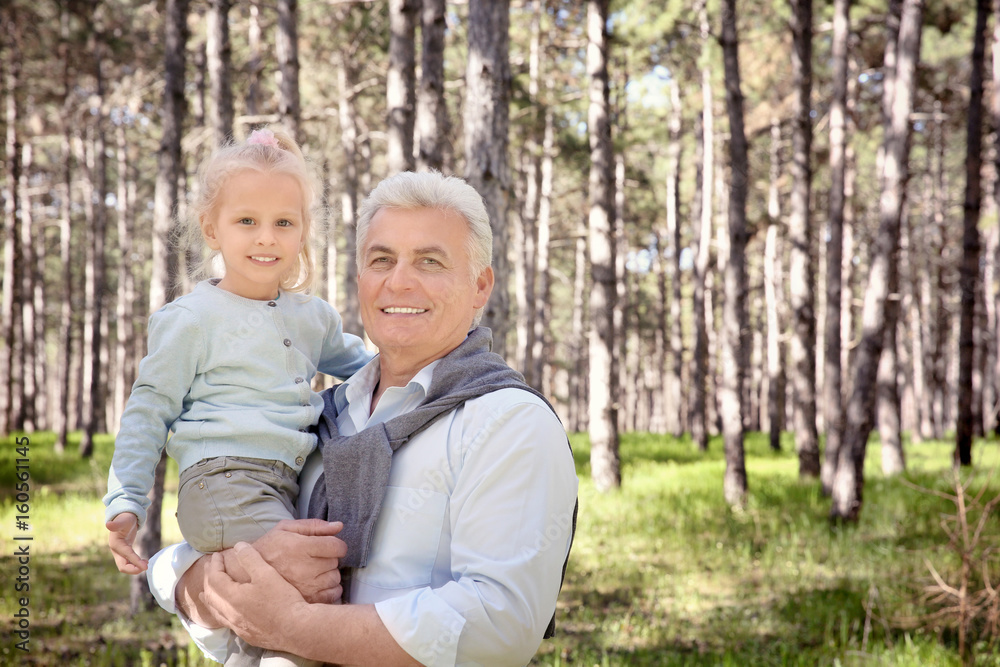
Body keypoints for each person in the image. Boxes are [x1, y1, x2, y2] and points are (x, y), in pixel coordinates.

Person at [145, 170, 579, 666]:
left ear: (480, 286)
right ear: (360, 280)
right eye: (382, 260)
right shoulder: (312, 417)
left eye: (430, 261)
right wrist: (202, 584)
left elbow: (500, 627)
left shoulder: (509, 423)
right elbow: (186, 565)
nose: (399, 281)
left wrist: (295, 626)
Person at [103, 127, 373, 667]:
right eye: (246, 221)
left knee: (292, 608)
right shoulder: (192, 319)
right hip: (223, 481)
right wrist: (126, 499)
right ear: (212, 228)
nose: (266, 238)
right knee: (305, 597)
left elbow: (373, 366)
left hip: (285, 486)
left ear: (302, 233)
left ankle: (238, 648)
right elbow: (148, 411)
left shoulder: (312, 317)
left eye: (283, 223)